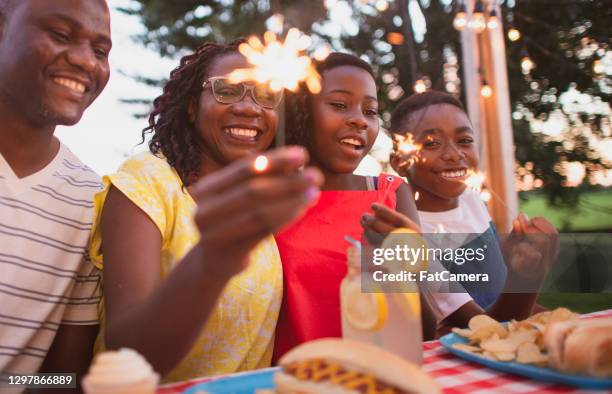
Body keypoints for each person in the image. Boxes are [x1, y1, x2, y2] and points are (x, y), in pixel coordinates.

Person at [88, 39, 323, 382]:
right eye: (227, 90)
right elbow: (129, 355)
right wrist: (211, 261)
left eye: (266, 95)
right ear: (191, 107)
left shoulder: (272, 200)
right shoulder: (147, 182)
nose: (249, 108)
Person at [273, 53, 435, 362]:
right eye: (338, 105)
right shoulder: (273, 202)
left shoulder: (392, 195)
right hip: (298, 380)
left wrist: (400, 270)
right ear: (301, 112)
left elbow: (427, 331)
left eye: (371, 111)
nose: (360, 119)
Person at [0, 0, 111, 379]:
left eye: (100, 50)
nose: (86, 61)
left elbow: (61, 378)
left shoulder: (89, 198)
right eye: (61, 35)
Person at [389, 90, 559, 332]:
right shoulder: (408, 239)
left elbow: (497, 288)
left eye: (464, 140)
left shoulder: (471, 199)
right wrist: (527, 279)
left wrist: (515, 258)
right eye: (431, 144)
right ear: (400, 162)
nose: (454, 154)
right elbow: (483, 330)